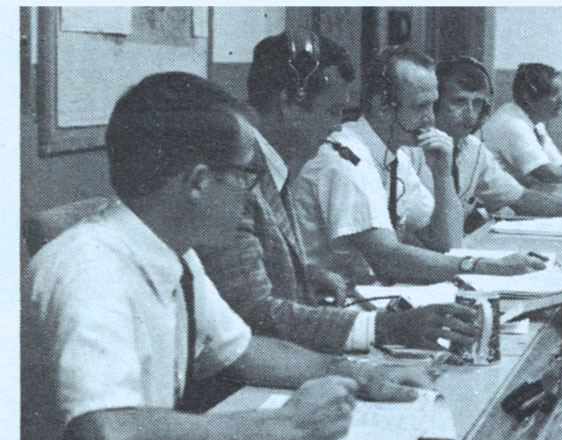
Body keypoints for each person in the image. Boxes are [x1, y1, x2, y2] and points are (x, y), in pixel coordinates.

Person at [21, 72, 427, 440]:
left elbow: (242, 350)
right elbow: (108, 437)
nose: (251, 193)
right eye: (245, 173)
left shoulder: (171, 250)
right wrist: (286, 425)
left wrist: (358, 375)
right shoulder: (89, 267)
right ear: (198, 182)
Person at [196, 32, 480, 354]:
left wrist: (306, 273)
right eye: (332, 111)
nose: (336, 127)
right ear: (288, 102)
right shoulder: (238, 179)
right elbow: (255, 313)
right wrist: (385, 327)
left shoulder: (275, 165)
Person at [290, 46, 540, 285]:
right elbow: (386, 258)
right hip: (327, 306)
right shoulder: (345, 158)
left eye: (433, 105)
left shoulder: (396, 155)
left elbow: (448, 243)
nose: (431, 118)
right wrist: (483, 266)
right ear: (382, 105)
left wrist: (442, 174)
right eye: (421, 106)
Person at [404, 57, 562, 232]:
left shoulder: (473, 149)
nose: (470, 113)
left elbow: (520, 197)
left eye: (477, 103)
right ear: (435, 104)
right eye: (458, 102)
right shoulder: (409, 151)